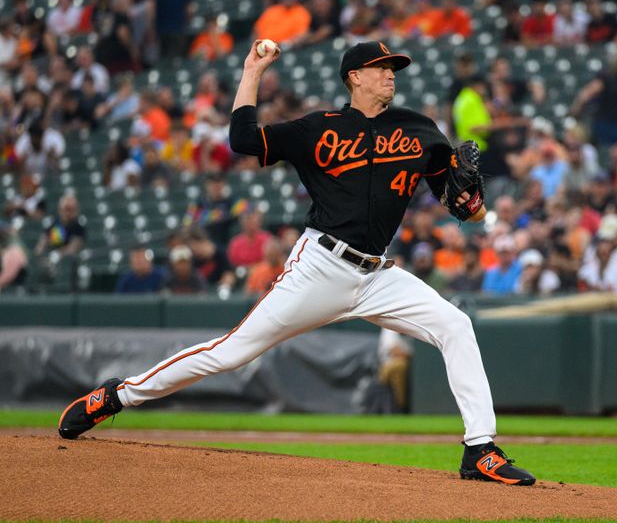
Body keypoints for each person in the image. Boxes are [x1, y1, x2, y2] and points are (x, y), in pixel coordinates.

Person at [58, 39, 535, 486]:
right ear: (355, 77)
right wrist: (252, 72)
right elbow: (243, 139)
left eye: (394, 69)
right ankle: (117, 396)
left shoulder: (418, 129)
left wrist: (470, 205)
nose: (391, 75)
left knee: (455, 325)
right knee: (230, 352)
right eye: (382, 68)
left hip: (378, 275)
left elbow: (455, 202)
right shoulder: (319, 128)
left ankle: (480, 449)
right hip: (321, 267)